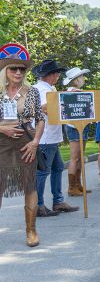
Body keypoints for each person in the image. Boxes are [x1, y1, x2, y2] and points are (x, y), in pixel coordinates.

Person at [0, 54, 44, 246]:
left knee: (29, 185)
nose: (18, 72)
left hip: (26, 142)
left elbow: (40, 119)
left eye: (22, 69)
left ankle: (31, 231)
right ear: (6, 71)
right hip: (1, 142)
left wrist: (35, 142)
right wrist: (3, 129)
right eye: (13, 68)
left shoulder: (32, 91)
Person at [33, 59, 79, 216]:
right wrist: (65, 97)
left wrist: (64, 96)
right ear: (50, 75)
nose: (58, 76)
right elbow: (44, 108)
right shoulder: (41, 90)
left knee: (58, 167)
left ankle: (58, 201)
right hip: (45, 137)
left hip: (50, 136)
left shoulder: (47, 88)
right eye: (57, 73)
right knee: (42, 172)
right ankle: (38, 205)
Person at [62, 67, 92, 196]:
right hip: (74, 127)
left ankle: (78, 184)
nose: (83, 79)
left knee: (79, 157)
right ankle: (71, 187)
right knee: (75, 158)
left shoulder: (79, 92)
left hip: (82, 125)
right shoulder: (71, 92)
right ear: (76, 80)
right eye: (82, 77)